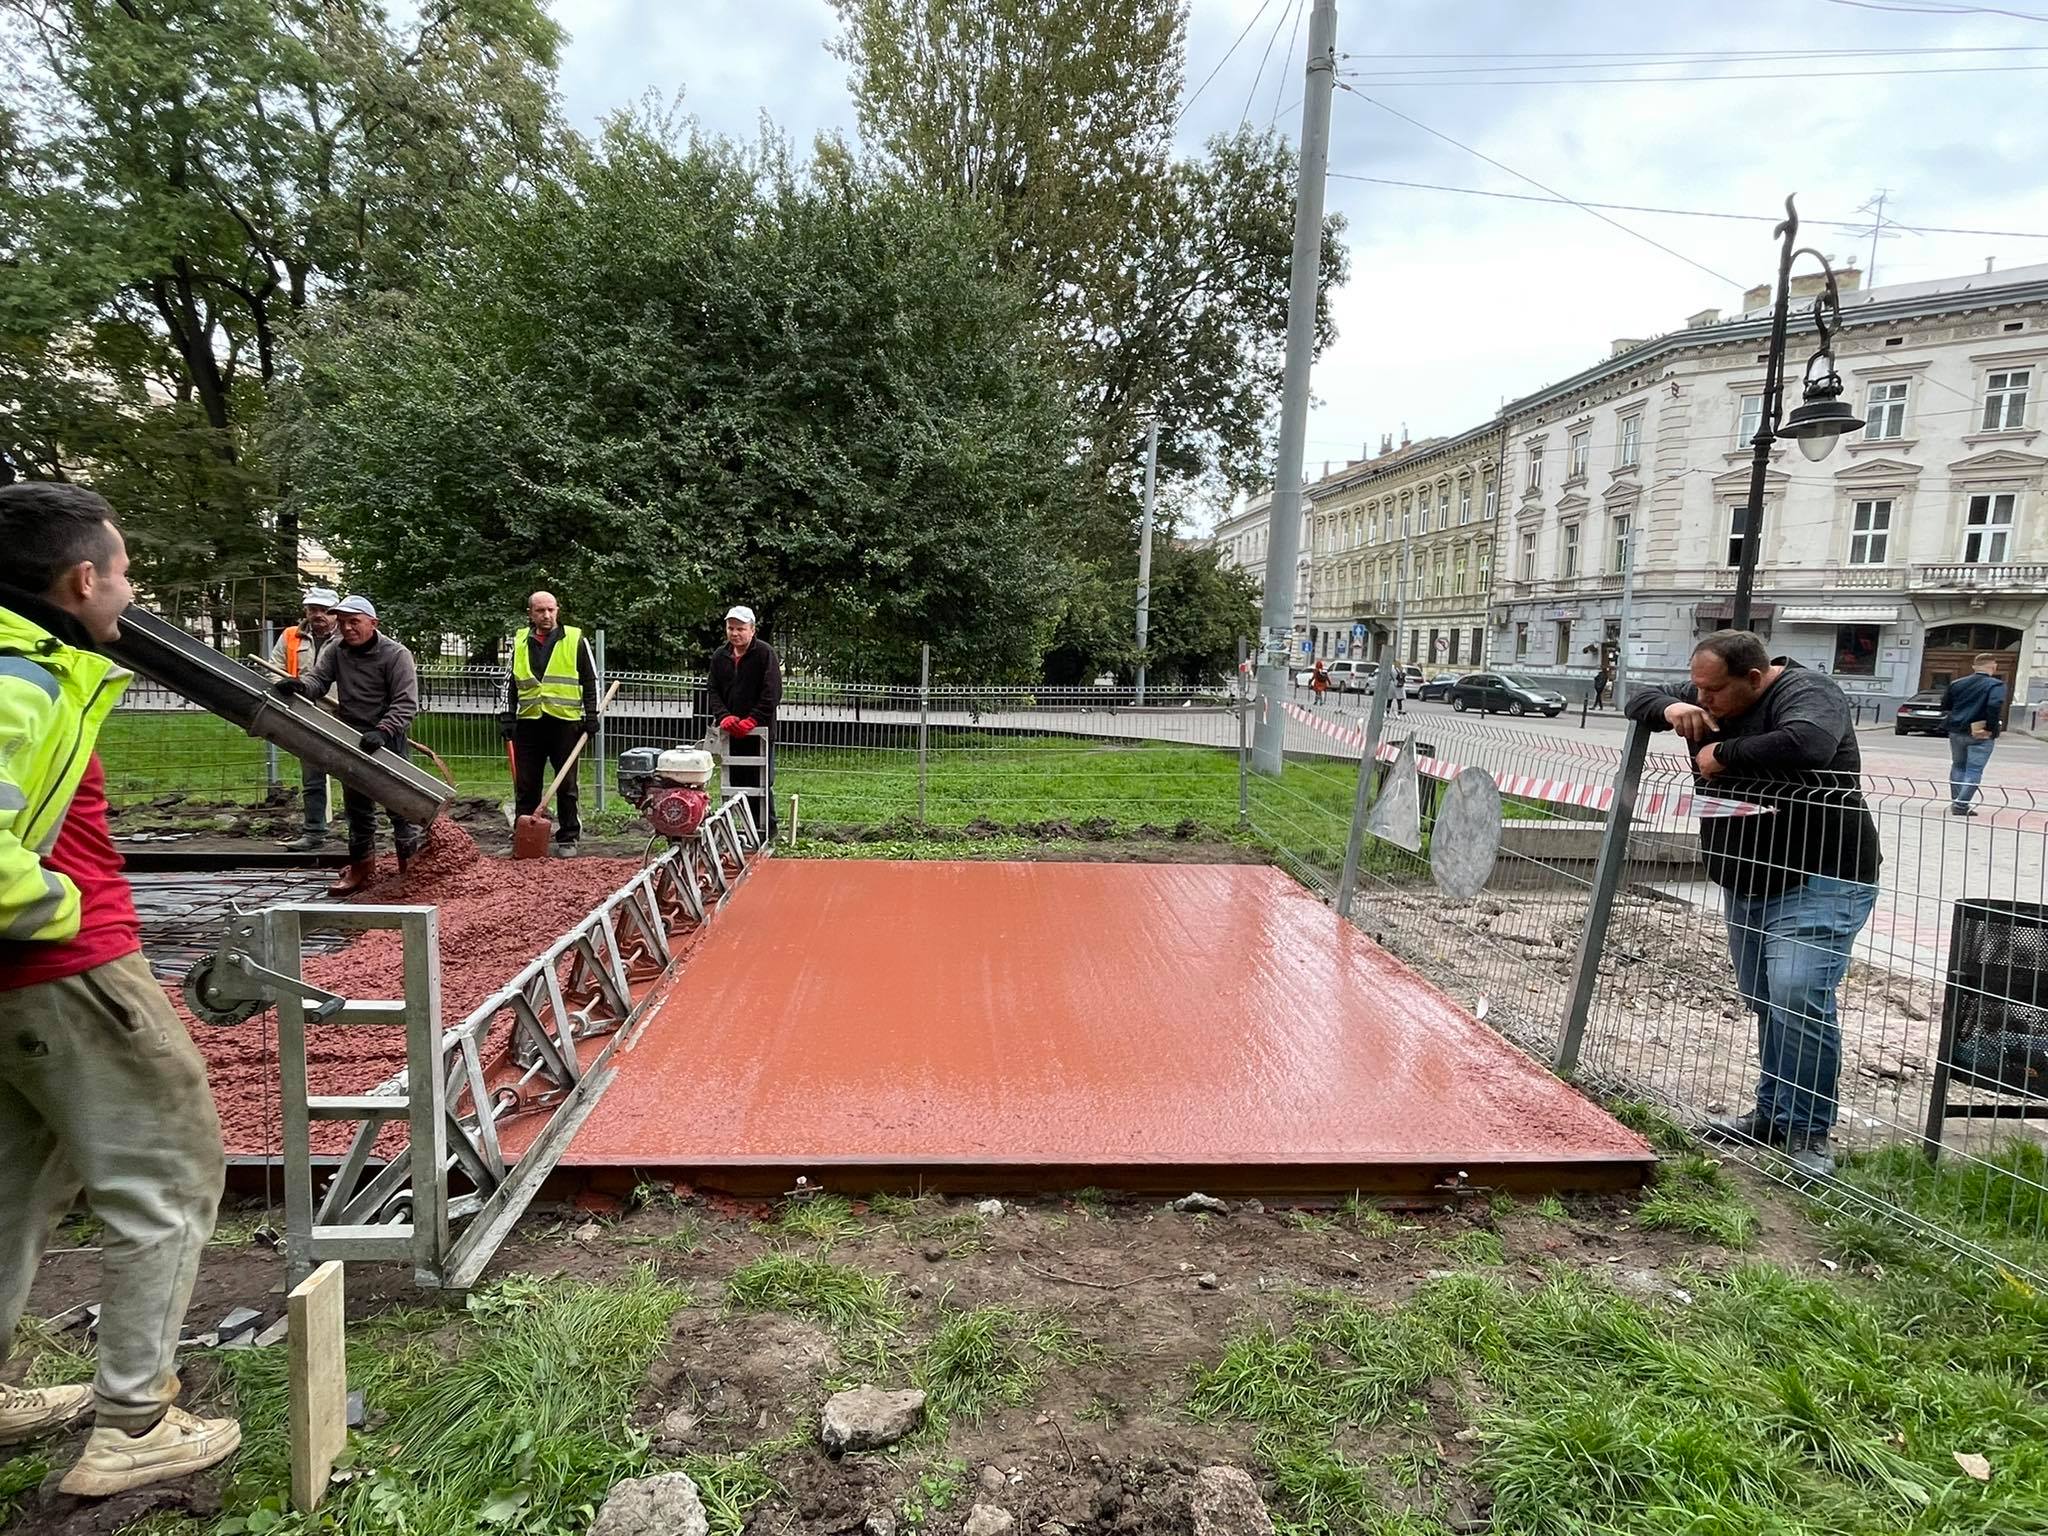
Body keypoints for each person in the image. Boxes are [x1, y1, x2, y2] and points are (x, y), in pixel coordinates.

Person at [0, 482, 241, 1495]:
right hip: (66, 970)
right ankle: (134, 1421)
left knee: (13, 1187)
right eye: (127, 569)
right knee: (169, 1174)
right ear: (82, 577)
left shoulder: (39, 666)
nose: (130, 588)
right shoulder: (24, 679)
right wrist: (58, 909)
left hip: (21, 986)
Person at [1626, 631, 1881, 1177]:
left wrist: (1721, 752)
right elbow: (1638, 698)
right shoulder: (1708, 691)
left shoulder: (1810, 693)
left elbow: (1807, 743)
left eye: (1712, 692)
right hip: (1748, 878)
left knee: (1797, 994)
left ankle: (1809, 1131)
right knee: (1767, 998)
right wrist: (1671, 705)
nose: (1704, 702)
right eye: (1696, 689)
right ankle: (1773, 1114)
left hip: (1820, 876)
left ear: (1755, 679)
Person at [273, 595, 421, 895]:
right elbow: (318, 680)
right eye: (342, 622)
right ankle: (362, 869)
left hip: (387, 739)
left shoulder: (396, 655)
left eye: (354, 622)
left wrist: (383, 731)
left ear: (373, 623)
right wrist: (301, 687)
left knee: (400, 807)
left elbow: (405, 704)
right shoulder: (335, 650)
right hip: (352, 737)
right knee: (357, 808)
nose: (347, 628)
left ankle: (412, 871)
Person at [497, 591, 599, 857]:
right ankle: (525, 837)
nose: (547, 615)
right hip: (529, 723)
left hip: (565, 723)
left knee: (566, 784)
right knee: (526, 784)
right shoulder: (520, 641)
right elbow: (510, 682)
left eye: (551, 610)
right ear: (531, 613)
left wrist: (592, 715)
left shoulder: (575, 639)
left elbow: (590, 680)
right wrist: (506, 714)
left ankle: (568, 838)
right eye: (540, 611)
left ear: (557, 610)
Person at [271, 588, 340, 851]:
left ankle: (362, 836)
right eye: (313, 609)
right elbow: (274, 667)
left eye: (324, 610)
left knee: (357, 777)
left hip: (341, 715)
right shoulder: (291, 636)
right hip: (306, 714)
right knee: (313, 778)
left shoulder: (347, 637)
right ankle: (314, 833)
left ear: (335, 612)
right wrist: (284, 685)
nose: (318, 615)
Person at [707, 605, 783, 839]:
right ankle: (737, 831)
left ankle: (765, 832)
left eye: (740, 628)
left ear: (752, 630)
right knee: (734, 781)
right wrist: (724, 716)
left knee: (760, 782)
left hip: (759, 731)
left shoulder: (764, 654)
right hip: (730, 731)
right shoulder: (720, 656)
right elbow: (713, 690)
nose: (735, 633)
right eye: (731, 628)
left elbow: (772, 692)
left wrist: (753, 719)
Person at [1942, 654, 2007, 817]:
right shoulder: (1996, 685)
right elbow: (1994, 705)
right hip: (1980, 732)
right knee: (1974, 769)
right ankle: (1961, 805)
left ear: (1974, 667)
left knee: (1958, 765)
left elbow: (1945, 705)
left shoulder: (1957, 684)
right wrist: (1990, 728)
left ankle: (1957, 800)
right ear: (1993, 666)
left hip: (1957, 730)